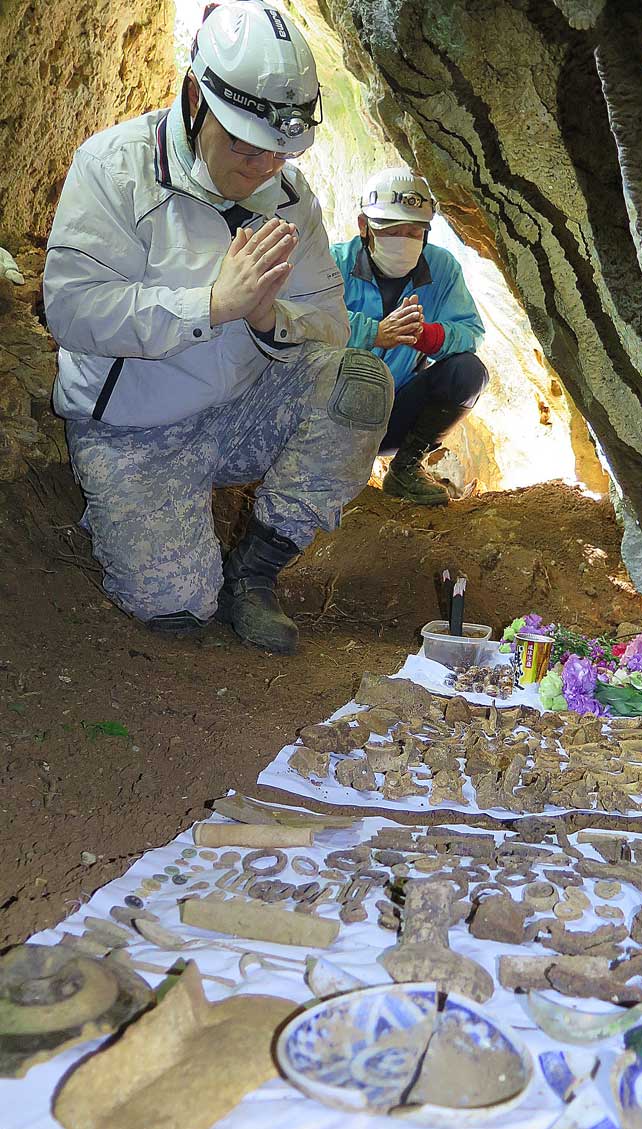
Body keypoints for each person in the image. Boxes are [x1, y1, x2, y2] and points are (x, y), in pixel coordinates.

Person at [43, 1, 393, 654]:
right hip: (137, 427)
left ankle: (254, 575)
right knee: (177, 611)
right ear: (193, 97)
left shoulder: (290, 198)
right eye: (243, 144)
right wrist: (209, 305)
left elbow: (329, 326)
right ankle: (131, 506)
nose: (263, 168)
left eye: (280, 151)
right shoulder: (113, 167)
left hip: (239, 411)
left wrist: (268, 318)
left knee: (359, 384)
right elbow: (72, 309)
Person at [331, 168, 488, 506]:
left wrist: (430, 337)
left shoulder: (441, 268)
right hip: (330, 413)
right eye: (391, 230)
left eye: (414, 231)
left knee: (468, 373)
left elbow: (471, 333)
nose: (403, 240)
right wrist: (375, 332)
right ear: (364, 226)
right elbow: (307, 324)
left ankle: (405, 468)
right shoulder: (334, 264)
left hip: (392, 419)